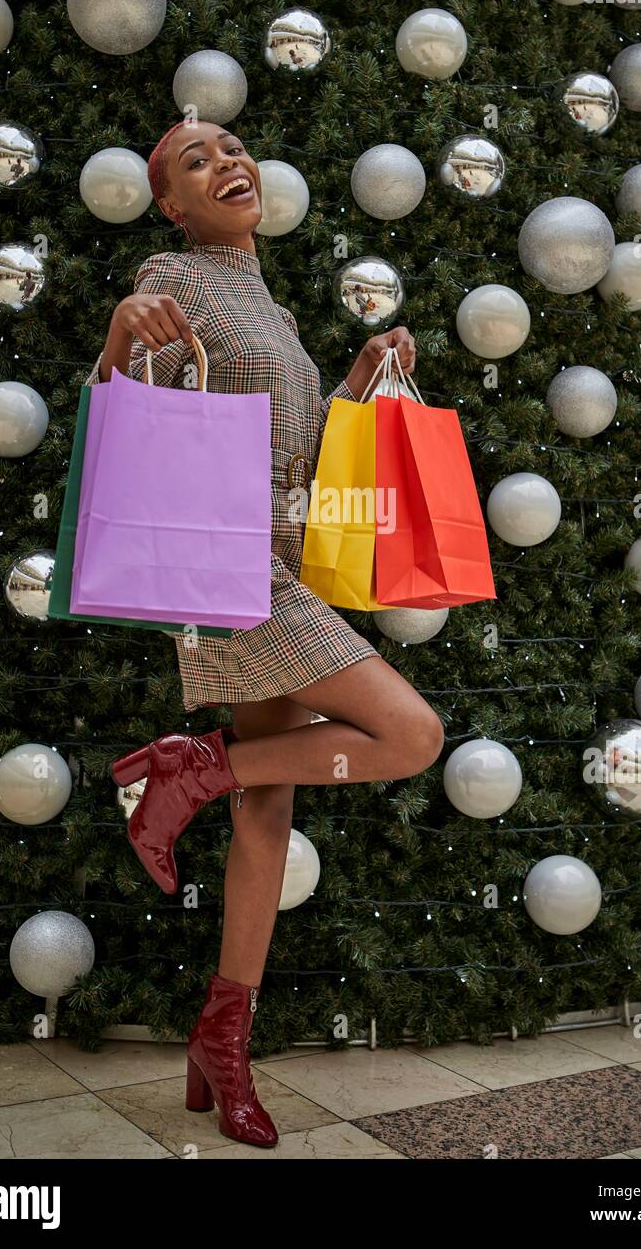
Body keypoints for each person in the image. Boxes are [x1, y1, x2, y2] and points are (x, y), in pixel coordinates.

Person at [83, 118, 444, 1148]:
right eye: (194, 163)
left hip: (282, 561)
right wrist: (119, 333)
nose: (224, 163)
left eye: (232, 149)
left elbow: (300, 452)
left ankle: (220, 1040)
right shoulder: (172, 275)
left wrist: (357, 376)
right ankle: (195, 770)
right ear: (172, 204)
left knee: (267, 805)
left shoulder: (268, 303)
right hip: (227, 571)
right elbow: (113, 422)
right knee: (408, 735)